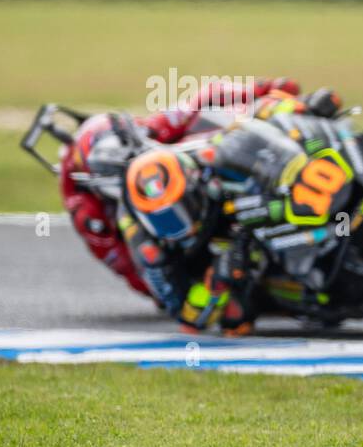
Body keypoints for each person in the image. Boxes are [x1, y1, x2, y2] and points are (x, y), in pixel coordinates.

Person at [58, 77, 327, 297]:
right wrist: (169, 281)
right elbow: (133, 271)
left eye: (133, 152)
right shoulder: (90, 214)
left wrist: (264, 90)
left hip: (196, 177)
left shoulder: (147, 131)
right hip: (182, 242)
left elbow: (205, 97)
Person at [114, 87, 349, 333]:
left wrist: (300, 106)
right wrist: (216, 282)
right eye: (165, 220)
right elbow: (185, 315)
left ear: (193, 184)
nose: (179, 225)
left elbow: (253, 117)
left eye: (180, 211)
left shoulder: (204, 155)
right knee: (236, 317)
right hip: (224, 263)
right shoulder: (148, 249)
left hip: (272, 207)